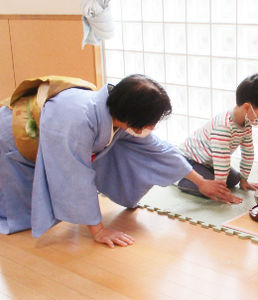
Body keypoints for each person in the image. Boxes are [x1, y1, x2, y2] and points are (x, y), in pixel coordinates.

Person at [0, 74, 236, 248]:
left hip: (47, 132)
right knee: (20, 212)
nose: (152, 127)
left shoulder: (117, 111)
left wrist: (200, 181)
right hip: (14, 137)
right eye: (151, 122)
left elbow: (158, 150)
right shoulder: (78, 121)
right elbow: (76, 178)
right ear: (133, 117)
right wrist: (99, 230)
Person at [177, 73, 258, 200]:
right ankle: (181, 178)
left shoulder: (246, 123)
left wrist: (244, 179)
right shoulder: (224, 126)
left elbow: (248, 152)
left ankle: (208, 178)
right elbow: (222, 160)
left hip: (208, 162)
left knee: (234, 180)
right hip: (189, 160)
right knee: (212, 187)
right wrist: (222, 192)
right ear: (247, 107)